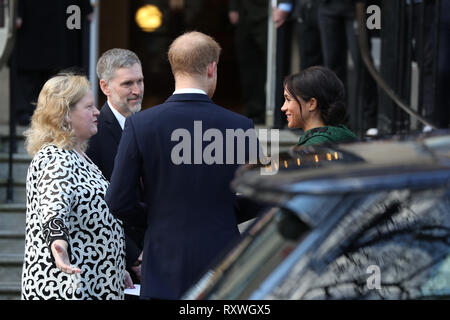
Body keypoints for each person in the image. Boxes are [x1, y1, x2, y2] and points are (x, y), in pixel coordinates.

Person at [105, 31, 256, 299]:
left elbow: (117, 200)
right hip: (222, 258)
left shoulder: (140, 125)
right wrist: (223, 211)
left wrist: (156, 218)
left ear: (173, 69)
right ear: (212, 68)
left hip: (163, 260)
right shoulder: (242, 126)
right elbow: (268, 194)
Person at [21, 73, 132, 300]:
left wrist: (116, 268)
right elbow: (54, 208)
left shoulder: (80, 157)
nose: (97, 112)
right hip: (66, 290)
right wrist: (58, 243)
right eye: (89, 106)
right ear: (65, 114)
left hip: (94, 284)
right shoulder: (55, 157)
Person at [85, 48, 145, 284]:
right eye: (127, 84)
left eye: (140, 81)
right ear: (105, 87)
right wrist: (134, 257)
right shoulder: (93, 135)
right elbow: (96, 207)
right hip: (114, 264)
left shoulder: (149, 126)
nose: (137, 91)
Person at [10, 0, 93, 126]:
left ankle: (55, 114)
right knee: (29, 71)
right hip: (33, 21)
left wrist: (85, 8)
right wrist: (17, 12)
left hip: (62, 21)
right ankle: (29, 114)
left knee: (57, 72)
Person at [281, 66, 357, 146]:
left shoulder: (313, 148)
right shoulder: (342, 135)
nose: (283, 108)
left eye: (288, 99)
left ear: (311, 104)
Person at [228, 0, 268, 124]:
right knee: (247, 65)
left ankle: (274, 111)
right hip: (243, 13)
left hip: (268, 13)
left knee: (269, 66)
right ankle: (253, 110)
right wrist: (233, 7)